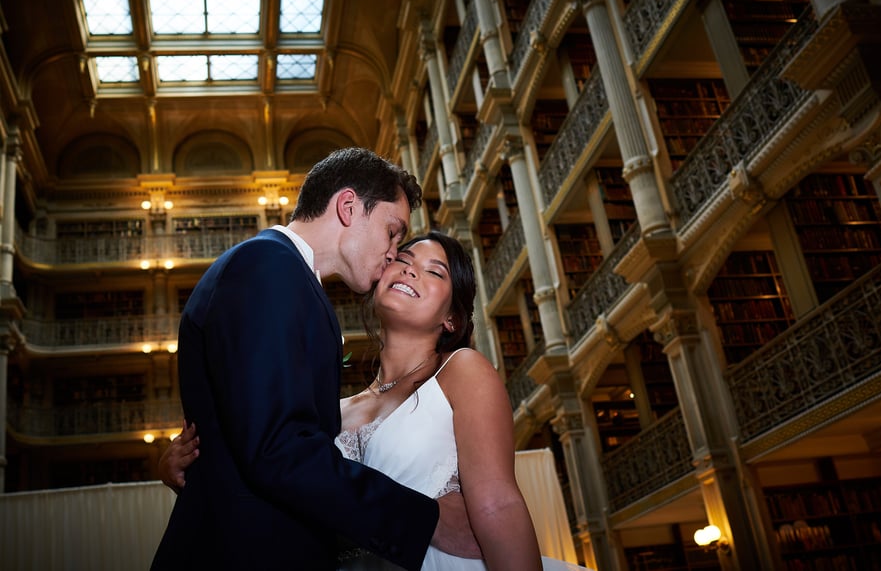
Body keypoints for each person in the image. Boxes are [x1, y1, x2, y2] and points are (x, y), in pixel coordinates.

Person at [161, 230, 589, 570]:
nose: (411, 271)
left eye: (434, 272)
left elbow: (498, 502)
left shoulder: (463, 370)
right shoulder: (333, 409)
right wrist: (188, 470)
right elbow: (289, 484)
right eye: (403, 260)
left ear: (452, 318)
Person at [151, 148, 477, 571]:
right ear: (347, 207)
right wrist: (424, 519)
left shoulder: (285, 277)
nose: (394, 254)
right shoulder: (268, 266)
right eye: (392, 232)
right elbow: (277, 448)